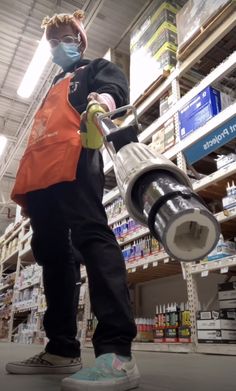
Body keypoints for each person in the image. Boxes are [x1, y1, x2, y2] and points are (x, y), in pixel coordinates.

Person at [6, 9, 140, 391]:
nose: (57, 46)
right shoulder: (50, 86)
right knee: (51, 253)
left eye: (64, 38)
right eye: (51, 42)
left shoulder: (92, 68)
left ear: (78, 40)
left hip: (77, 155)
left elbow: (115, 89)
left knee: (91, 237)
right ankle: (61, 348)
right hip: (41, 174)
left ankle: (116, 353)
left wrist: (104, 103)